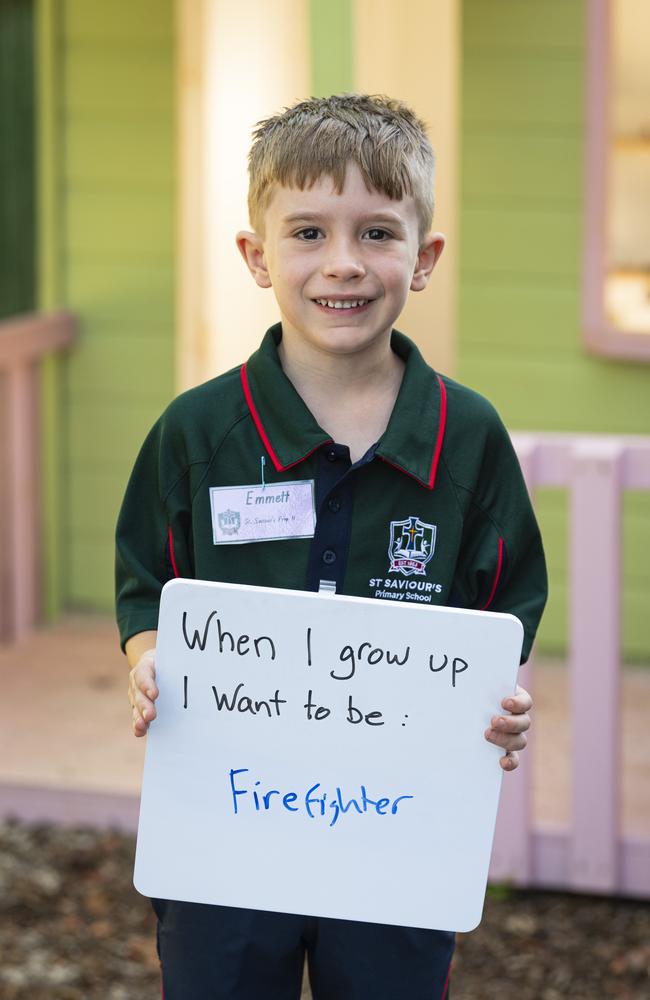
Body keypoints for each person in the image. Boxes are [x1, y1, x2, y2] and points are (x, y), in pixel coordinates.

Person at [116, 94, 547, 1000]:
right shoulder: (197, 431)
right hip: (223, 831)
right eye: (307, 232)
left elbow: (504, 605)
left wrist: (502, 703)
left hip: (397, 833)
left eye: (378, 234)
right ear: (256, 254)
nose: (342, 264)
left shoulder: (467, 436)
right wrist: (150, 657)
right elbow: (149, 582)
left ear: (423, 258)